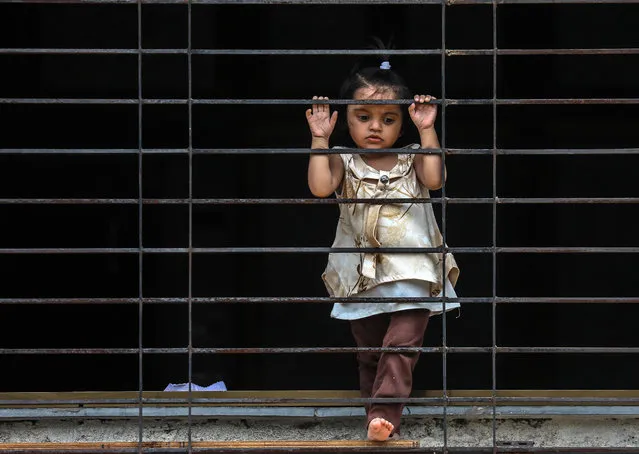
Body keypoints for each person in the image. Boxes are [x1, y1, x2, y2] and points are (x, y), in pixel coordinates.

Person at [305, 58, 460, 441]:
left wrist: (427, 130)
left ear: (402, 123)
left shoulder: (412, 157)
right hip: (363, 275)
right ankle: (374, 416)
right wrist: (320, 138)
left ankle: (385, 414)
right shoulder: (343, 159)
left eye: (388, 119)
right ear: (347, 118)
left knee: (402, 344)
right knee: (371, 352)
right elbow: (321, 187)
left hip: (413, 272)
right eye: (364, 116)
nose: (376, 127)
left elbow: (435, 179)